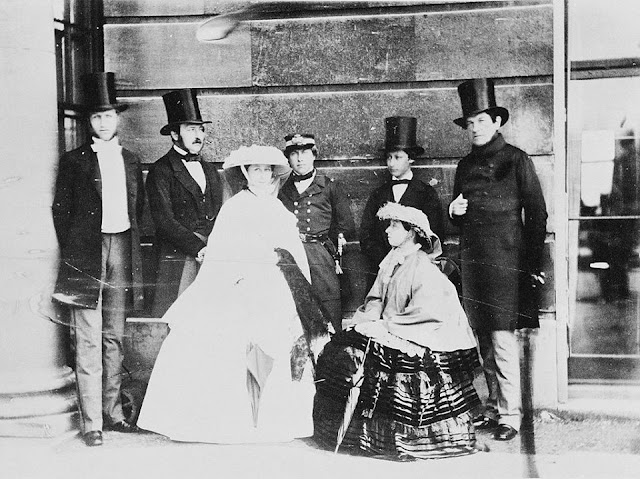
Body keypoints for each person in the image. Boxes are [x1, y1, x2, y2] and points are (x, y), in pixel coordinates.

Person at [137, 145, 331, 443]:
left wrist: (292, 279)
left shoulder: (278, 208)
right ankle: (241, 417)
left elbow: (293, 251)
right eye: (256, 170)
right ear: (245, 173)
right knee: (239, 346)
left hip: (275, 287)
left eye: (266, 170)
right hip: (241, 285)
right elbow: (222, 252)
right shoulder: (235, 207)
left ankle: (270, 417)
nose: (262, 176)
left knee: (275, 347)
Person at [313, 202, 480, 459]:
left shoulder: (424, 267)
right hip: (393, 327)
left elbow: (427, 312)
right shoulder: (391, 260)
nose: (387, 231)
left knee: (396, 365)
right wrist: (368, 321)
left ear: (411, 232)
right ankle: (351, 432)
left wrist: (387, 326)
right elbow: (375, 298)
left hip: (424, 334)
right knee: (344, 347)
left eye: (394, 226)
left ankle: (403, 438)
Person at [449, 78, 548, 441]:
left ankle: (511, 416)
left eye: (481, 121)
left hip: (506, 264)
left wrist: (531, 265)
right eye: (470, 123)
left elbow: (536, 214)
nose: (475, 128)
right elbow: (457, 215)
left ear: (496, 122)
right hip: (475, 264)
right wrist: (453, 211)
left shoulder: (516, 159)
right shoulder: (464, 166)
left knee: (503, 341)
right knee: (484, 342)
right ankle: (492, 408)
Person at [51, 72, 144, 447]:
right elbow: (60, 213)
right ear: (89, 122)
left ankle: (113, 412)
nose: (103, 122)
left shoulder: (131, 160)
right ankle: (92, 423)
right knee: (88, 337)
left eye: (108, 115)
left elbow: (137, 210)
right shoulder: (74, 162)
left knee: (114, 335)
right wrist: (76, 251)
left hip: (121, 247)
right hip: (86, 253)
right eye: (96, 117)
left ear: (117, 118)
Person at [146, 89, 226, 316]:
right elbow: (164, 220)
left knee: (210, 316)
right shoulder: (161, 170)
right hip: (178, 256)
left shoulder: (210, 169)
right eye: (190, 129)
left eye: (201, 129)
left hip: (210, 256)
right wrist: (198, 248)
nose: (198, 135)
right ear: (174, 134)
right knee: (178, 317)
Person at [278, 133, 356, 332]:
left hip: (320, 255)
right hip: (292, 254)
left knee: (328, 304)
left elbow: (345, 225)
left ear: (314, 155)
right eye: (294, 154)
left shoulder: (330, 186)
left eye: (305, 153)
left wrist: (332, 251)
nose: (300, 159)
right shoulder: (282, 189)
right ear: (288, 158)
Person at [360, 116, 445, 290]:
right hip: (381, 270)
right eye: (388, 157)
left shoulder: (426, 193)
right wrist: (386, 260)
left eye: (397, 157)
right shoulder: (378, 194)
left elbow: (434, 233)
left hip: (414, 272)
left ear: (411, 158)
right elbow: (366, 234)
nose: (391, 163)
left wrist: (408, 260)